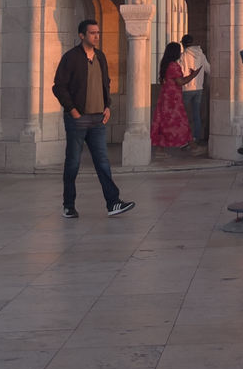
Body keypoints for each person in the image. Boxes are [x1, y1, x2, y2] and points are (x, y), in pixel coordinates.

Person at [51, 18, 134, 219]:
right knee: (72, 163)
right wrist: (72, 110)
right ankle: (68, 206)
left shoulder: (100, 57)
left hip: (98, 119)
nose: (96, 36)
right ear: (82, 35)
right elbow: (58, 86)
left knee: (103, 163)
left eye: (98, 33)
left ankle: (113, 203)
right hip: (78, 120)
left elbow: (106, 82)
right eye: (92, 33)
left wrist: (108, 106)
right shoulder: (71, 58)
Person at [151, 40, 194, 152]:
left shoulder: (165, 64)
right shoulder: (174, 66)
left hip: (165, 97)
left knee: (163, 121)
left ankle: (161, 148)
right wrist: (193, 75)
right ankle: (188, 143)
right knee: (180, 121)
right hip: (173, 99)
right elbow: (180, 82)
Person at [179, 32, 210, 149]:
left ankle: (186, 138)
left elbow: (181, 73)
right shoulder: (201, 55)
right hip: (199, 89)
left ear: (183, 44)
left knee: (185, 115)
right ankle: (196, 137)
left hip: (186, 88)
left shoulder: (183, 56)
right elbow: (208, 69)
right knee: (196, 114)